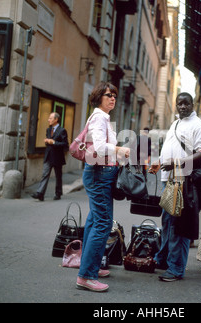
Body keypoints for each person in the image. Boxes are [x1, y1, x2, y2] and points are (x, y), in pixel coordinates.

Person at [149, 92, 201, 282]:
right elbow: (171, 148)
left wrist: (176, 163)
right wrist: (159, 162)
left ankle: (176, 268)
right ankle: (164, 259)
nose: (182, 107)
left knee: (180, 226)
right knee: (168, 222)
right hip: (168, 179)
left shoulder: (199, 126)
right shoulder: (175, 124)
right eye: (179, 104)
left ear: (193, 105)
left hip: (185, 181)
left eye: (186, 103)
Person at [76, 82, 130, 292]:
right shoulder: (99, 117)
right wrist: (119, 149)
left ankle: (91, 266)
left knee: (94, 221)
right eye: (108, 95)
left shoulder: (103, 118)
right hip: (99, 173)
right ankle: (86, 276)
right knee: (102, 224)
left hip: (100, 173)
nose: (113, 98)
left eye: (115, 95)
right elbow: (98, 147)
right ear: (99, 97)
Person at [31, 112, 68, 201]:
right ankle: (40, 193)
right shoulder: (48, 130)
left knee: (58, 176)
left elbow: (65, 144)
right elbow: (48, 143)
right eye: (49, 118)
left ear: (56, 119)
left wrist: (54, 142)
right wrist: (47, 141)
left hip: (57, 157)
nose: (48, 120)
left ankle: (58, 193)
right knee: (45, 174)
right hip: (48, 156)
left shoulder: (62, 130)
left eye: (50, 118)